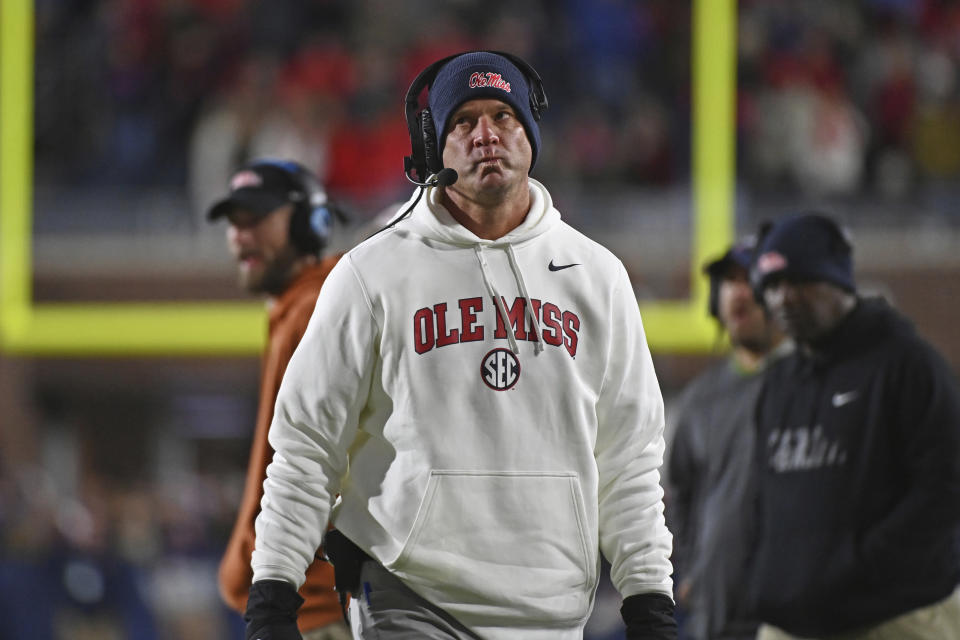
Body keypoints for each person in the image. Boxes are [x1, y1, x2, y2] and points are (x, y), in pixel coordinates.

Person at [242, 51, 677, 640]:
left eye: (504, 116)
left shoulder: (597, 277)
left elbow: (629, 460)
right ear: (433, 147)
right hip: (409, 594)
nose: (487, 135)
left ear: (531, 133)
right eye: (464, 122)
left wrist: (649, 600)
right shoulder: (371, 274)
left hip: (551, 610)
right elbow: (305, 448)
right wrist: (272, 598)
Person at [747, 212, 960, 640]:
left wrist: (858, 565)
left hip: (895, 618)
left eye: (798, 282)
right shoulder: (779, 381)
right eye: (771, 287)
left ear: (839, 284)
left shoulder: (908, 364)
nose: (783, 300)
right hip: (791, 623)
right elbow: (765, 498)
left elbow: (945, 490)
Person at [207, 159, 351, 640]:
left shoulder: (314, 309)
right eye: (234, 223)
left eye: (256, 219)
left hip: (317, 611)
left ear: (313, 223)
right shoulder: (300, 307)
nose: (239, 236)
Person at [667, 240, 790, 640]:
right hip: (716, 613)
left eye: (748, 279)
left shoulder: (813, 384)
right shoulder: (700, 400)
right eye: (728, 282)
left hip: (793, 612)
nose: (737, 291)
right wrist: (688, 572)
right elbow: (678, 492)